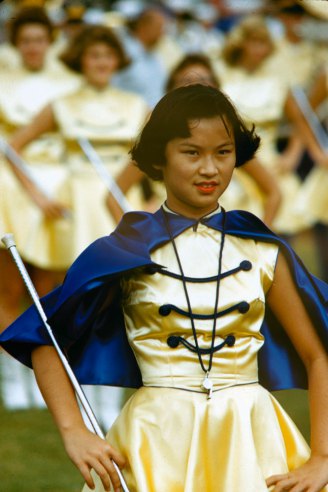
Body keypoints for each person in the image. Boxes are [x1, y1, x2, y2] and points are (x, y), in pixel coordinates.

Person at [1, 84, 328, 492]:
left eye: (223, 152)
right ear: (160, 157)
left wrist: (322, 458)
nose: (209, 169)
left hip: (250, 436)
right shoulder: (125, 248)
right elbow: (44, 337)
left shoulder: (263, 249)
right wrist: (74, 431)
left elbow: (318, 353)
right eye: (191, 152)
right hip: (156, 438)